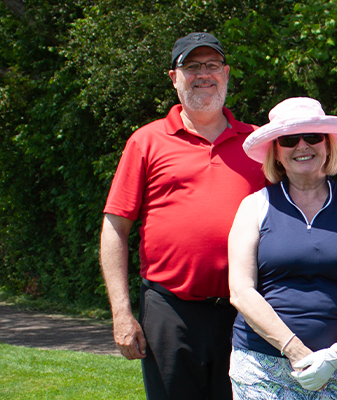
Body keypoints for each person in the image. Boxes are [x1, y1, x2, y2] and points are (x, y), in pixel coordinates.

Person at [99, 32, 266, 400]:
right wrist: (121, 312)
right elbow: (115, 228)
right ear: (174, 78)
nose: (203, 74)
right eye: (192, 67)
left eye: (212, 65)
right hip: (169, 310)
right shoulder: (146, 141)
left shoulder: (258, 143)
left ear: (226, 73)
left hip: (245, 313)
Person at [226, 97, 337, 399]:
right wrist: (296, 351)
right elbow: (241, 291)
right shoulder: (254, 206)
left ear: (328, 145)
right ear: (276, 152)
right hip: (262, 369)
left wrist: (336, 355)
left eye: (313, 136)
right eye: (289, 139)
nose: (302, 146)